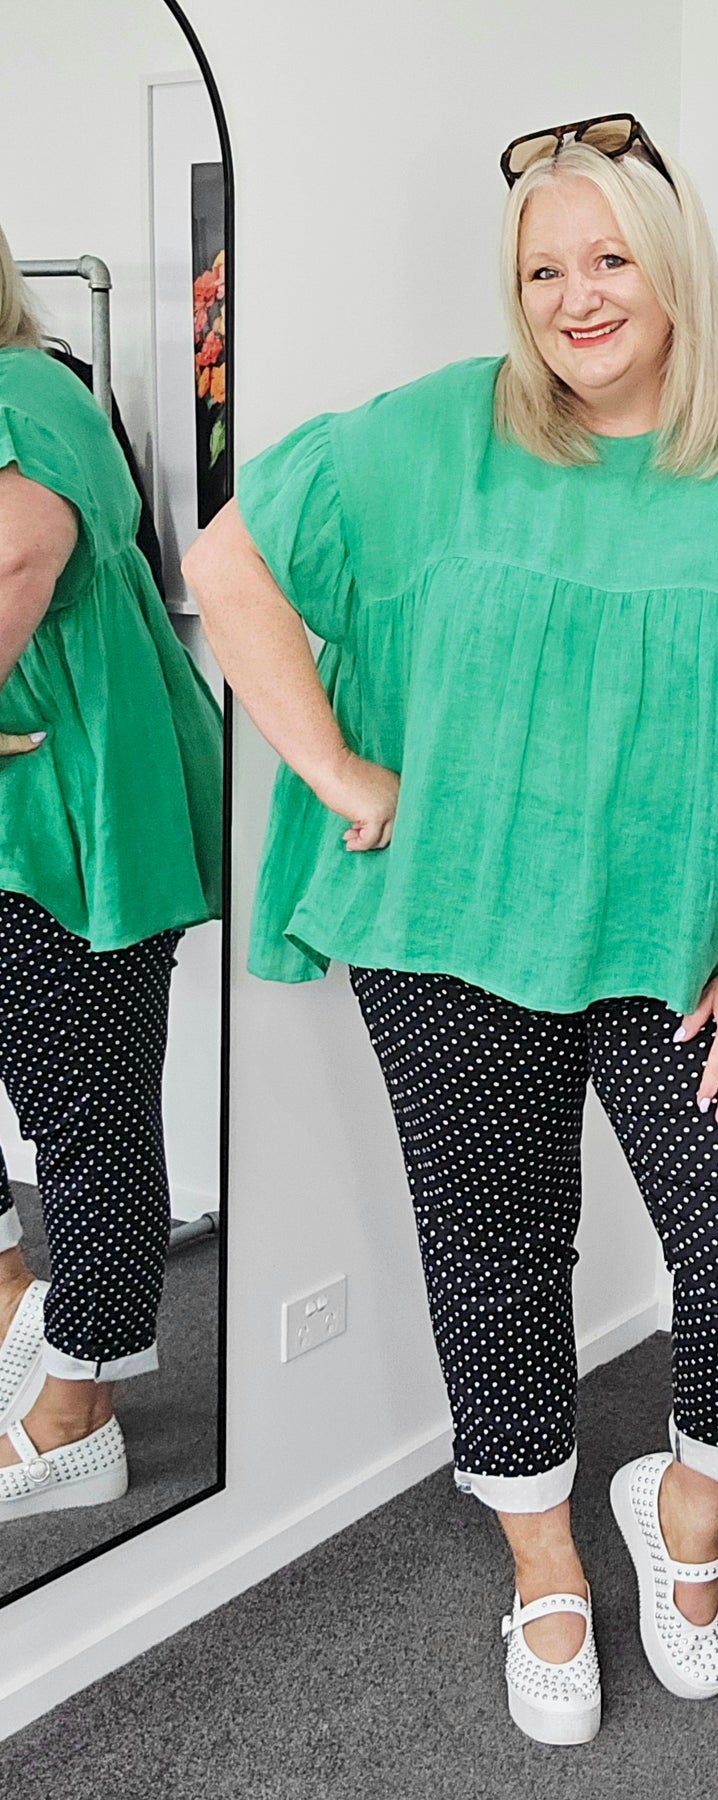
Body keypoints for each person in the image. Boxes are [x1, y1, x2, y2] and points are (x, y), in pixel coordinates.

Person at [183, 115, 718, 1745]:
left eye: (608, 262)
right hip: (452, 929)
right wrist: (337, 769)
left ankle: (684, 1516)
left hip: (692, 946)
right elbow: (226, 564)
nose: (576, 299)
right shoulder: (434, 435)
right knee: (497, 1247)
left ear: (674, 272)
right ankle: (543, 1566)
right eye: (542, 272)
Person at [0, 224, 223, 1518]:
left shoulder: (27, 394)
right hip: (24, 813)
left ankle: (78, 1416)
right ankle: (20, 1309)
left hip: (78, 815)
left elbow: (14, 570)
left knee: (86, 1115)